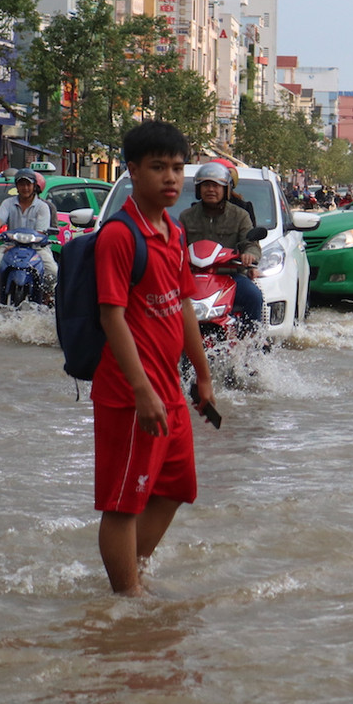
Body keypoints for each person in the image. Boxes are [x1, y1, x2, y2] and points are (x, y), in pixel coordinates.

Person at [92, 120, 215, 596]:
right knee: (122, 503)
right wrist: (142, 391)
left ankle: (130, 577)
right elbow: (111, 317)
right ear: (133, 171)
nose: (171, 177)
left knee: (176, 488)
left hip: (169, 389)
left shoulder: (174, 231)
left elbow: (183, 305)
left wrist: (202, 375)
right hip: (130, 394)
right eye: (158, 167)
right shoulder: (120, 236)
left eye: (178, 168)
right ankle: (126, 600)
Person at [179, 162, 265, 333]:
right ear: (198, 189)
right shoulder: (186, 216)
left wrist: (249, 255)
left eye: (216, 185)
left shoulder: (240, 215)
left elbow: (251, 244)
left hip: (230, 276)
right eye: (206, 185)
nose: (211, 189)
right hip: (193, 276)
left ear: (226, 189)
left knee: (254, 296)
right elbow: (176, 245)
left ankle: (252, 340)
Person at [0, 168, 57, 303]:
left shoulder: (42, 207)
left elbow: (41, 232)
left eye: (28, 184)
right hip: (10, 246)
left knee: (52, 270)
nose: (25, 188)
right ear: (17, 186)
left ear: (34, 186)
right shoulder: (8, 203)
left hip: (37, 248)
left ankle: (46, 297)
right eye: (21, 184)